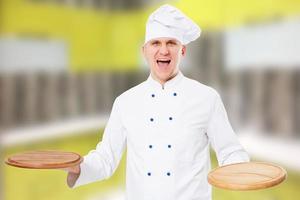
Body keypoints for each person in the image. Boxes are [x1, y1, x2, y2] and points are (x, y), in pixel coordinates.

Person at [65, 4, 250, 200]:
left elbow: (230, 150)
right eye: (156, 43)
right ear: (144, 51)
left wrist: (239, 171)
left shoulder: (206, 98)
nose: (164, 51)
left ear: (183, 50)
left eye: (171, 43)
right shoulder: (125, 102)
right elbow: (106, 158)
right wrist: (79, 168)